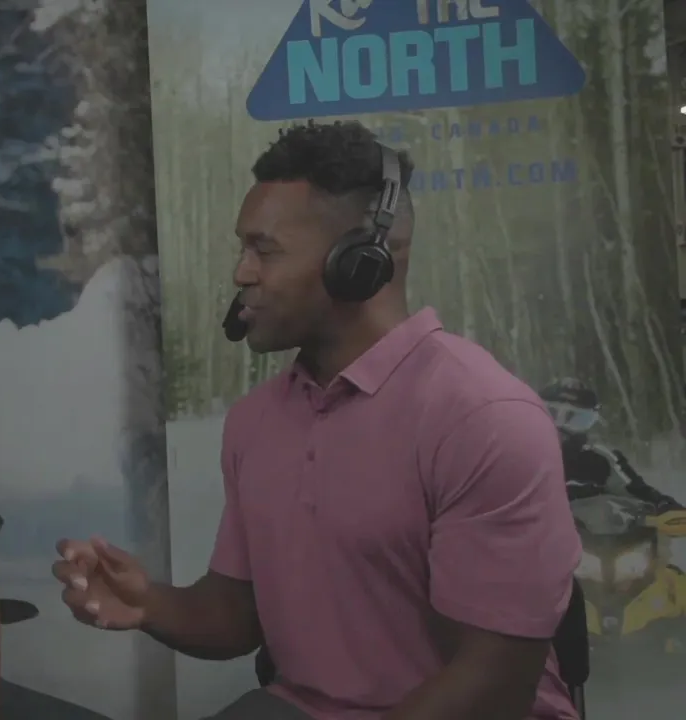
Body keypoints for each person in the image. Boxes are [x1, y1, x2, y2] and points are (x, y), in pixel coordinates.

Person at [52, 121, 582, 720]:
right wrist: (148, 603)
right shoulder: (254, 423)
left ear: (363, 259)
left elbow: (493, 685)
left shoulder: (485, 419)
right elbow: (234, 616)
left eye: (265, 250)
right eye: (243, 249)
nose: (242, 273)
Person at [538, 376, 683, 513]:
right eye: (553, 414)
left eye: (578, 420)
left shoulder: (601, 461)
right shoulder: (527, 458)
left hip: (592, 528)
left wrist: (665, 508)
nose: (561, 427)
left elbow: (641, 493)